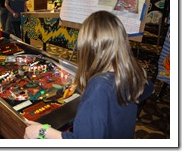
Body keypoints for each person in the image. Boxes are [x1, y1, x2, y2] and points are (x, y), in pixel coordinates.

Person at [24, 11, 154, 139]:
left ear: (88, 48)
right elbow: (149, 87)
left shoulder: (99, 86)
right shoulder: (131, 71)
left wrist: (42, 131)